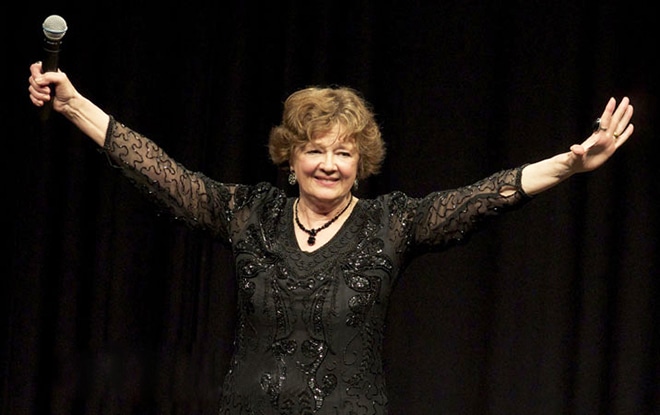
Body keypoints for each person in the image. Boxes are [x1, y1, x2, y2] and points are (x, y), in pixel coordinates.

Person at [27, 61, 634, 414]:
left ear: (361, 162)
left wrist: (568, 165)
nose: (328, 164)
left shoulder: (390, 225)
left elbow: (480, 198)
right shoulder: (250, 214)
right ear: (290, 158)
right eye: (315, 150)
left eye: (343, 152)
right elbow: (162, 174)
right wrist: (75, 105)